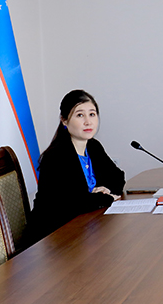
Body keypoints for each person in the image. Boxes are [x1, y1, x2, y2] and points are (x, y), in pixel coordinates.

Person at [25, 89, 125, 244]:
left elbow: (118, 178)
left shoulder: (93, 146)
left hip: (85, 227)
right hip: (52, 237)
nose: (88, 122)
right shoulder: (56, 156)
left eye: (92, 114)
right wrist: (105, 197)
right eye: (80, 115)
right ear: (64, 120)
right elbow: (72, 204)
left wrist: (104, 189)